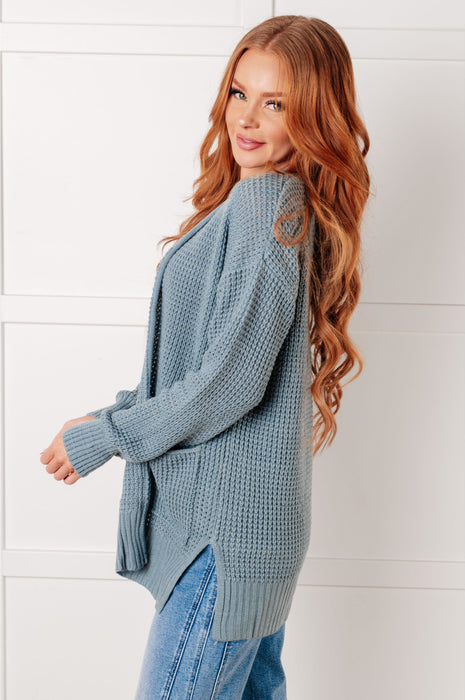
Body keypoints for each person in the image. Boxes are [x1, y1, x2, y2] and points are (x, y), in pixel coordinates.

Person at [39, 14, 371, 699]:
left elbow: (229, 383)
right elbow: (200, 366)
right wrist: (107, 417)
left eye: (275, 103)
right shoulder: (260, 204)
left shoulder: (269, 206)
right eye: (240, 93)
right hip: (240, 530)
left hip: (225, 536)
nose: (246, 118)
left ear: (313, 117)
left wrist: (108, 437)